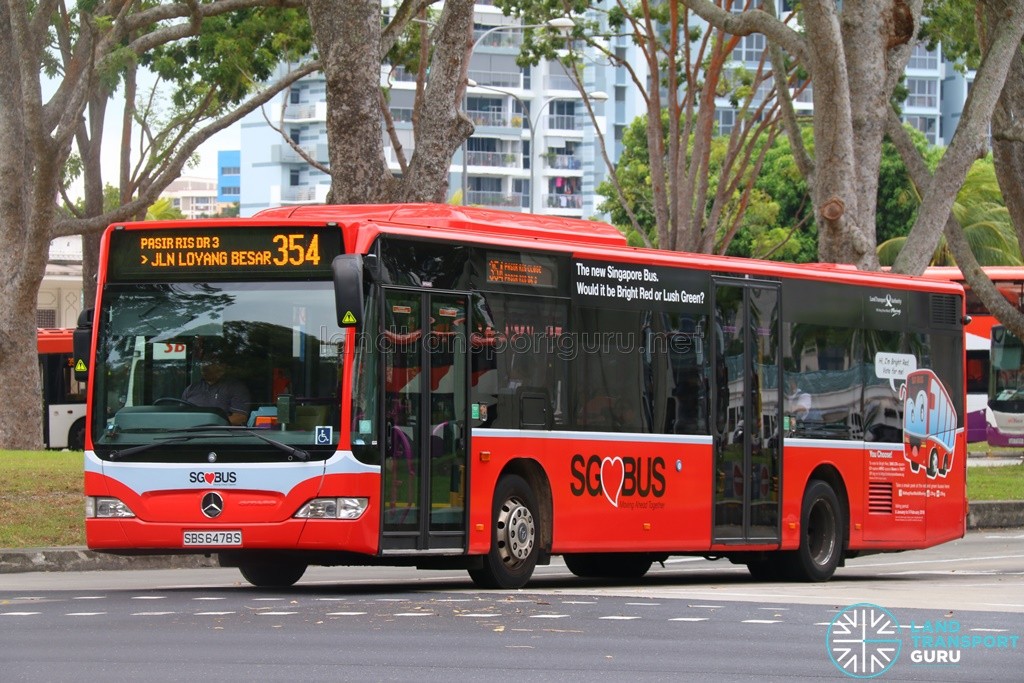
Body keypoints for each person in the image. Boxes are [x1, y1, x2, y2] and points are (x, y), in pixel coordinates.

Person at [182, 343, 250, 426]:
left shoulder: (236, 388)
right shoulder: (191, 388)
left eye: (210, 363)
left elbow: (240, 418)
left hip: (221, 436)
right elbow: (181, 416)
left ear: (222, 367)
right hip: (187, 434)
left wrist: (206, 423)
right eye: (203, 363)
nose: (205, 367)